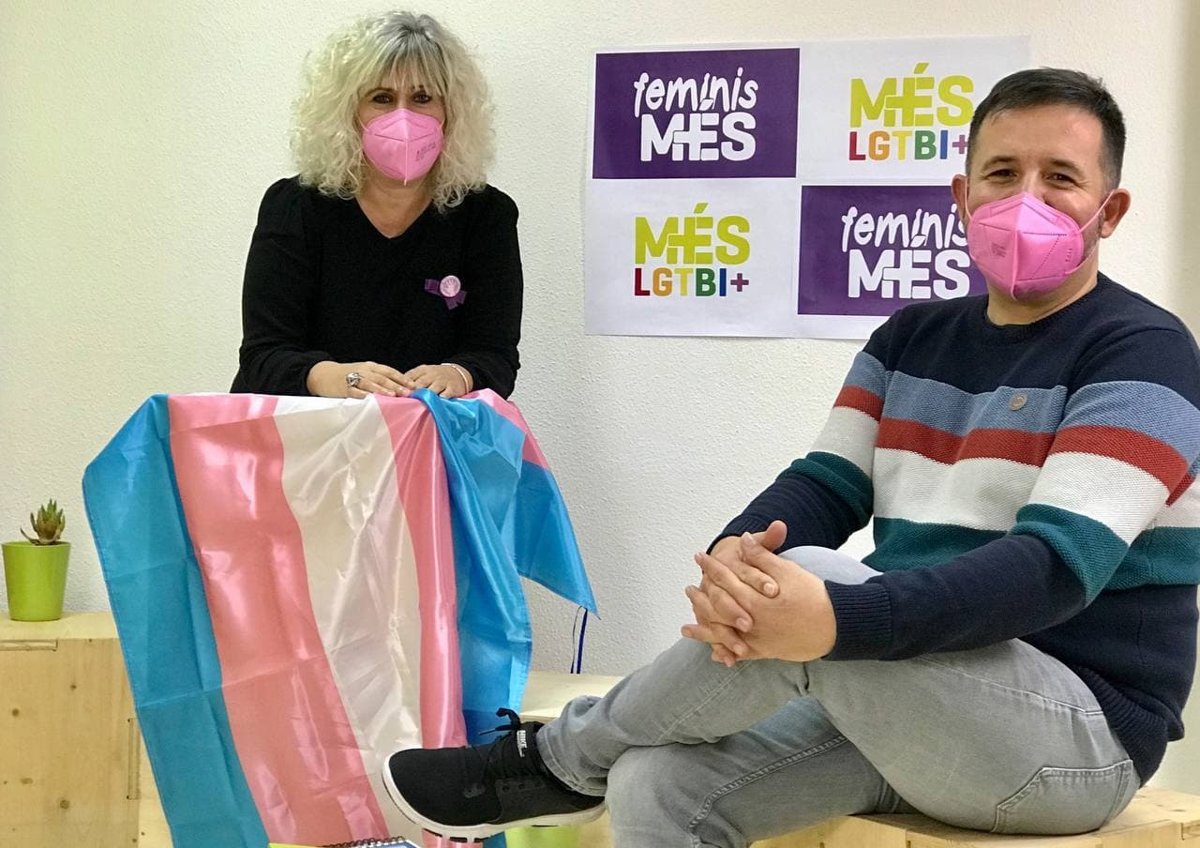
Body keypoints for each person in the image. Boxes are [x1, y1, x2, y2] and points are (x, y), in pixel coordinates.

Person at [381, 68, 1200, 845]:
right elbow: (825, 485)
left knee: (814, 580)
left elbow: (1053, 569)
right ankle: (582, 764)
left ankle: (553, 763)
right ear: (962, 196)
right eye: (1002, 173)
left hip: (1077, 740)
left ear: (1110, 211)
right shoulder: (911, 338)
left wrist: (840, 618)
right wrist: (735, 560)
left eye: (1061, 178)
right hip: (914, 692)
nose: (1026, 200)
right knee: (656, 782)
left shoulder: (1144, 354)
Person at [230, 11, 523, 400]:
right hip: (305, 427)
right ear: (349, 113)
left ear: (450, 112)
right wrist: (332, 378)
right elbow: (263, 355)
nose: (403, 117)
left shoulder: (487, 216)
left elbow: (496, 355)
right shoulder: (295, 207)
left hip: (425, 425)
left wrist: (458, 374)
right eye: (382, 98)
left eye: (422, 98)